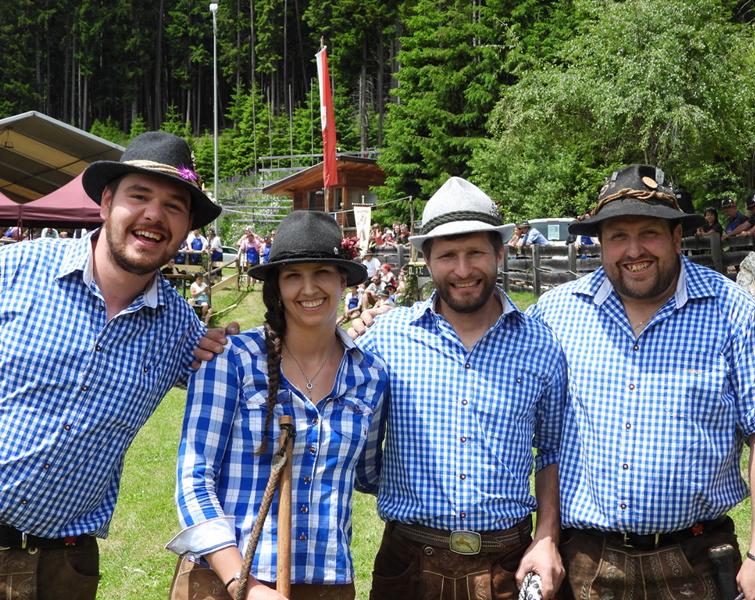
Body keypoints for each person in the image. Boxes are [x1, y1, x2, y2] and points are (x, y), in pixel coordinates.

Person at [530, 164, 755, 599]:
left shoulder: (733, 311)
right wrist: (544, 537)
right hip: (584, 563)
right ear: (601, 243)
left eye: (649, 233)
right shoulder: (555, 313)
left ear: (676, 236)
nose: (634, 249)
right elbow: (544, 438)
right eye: (618, 236)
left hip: (697, 559)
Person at [0, 131, 231, 600]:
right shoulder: (15, 269)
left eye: (173, 206)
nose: (154, 215)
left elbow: (255, 376)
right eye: (139, 196)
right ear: (106, 202)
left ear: (187, 226)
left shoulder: (183, 332)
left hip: (65, 566)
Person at [356, 176, 567, 599]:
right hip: (407, 560)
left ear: (500, 253)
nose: (464, 270)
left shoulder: (541, 343)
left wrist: (546, 536)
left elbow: (552, 451)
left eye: (476, 253)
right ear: (426, 259)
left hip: (507, 562)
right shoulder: (387, 337)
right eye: (448, 255)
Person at [167, 210, 388, 600]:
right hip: (227, 581)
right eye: (293, 276)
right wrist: (245, 586)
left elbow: (370, 475)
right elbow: (194, 481)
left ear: (343, 280)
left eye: (322, 272)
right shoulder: (231, 360)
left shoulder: (369, 375)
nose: (308, 288)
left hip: (327, 584)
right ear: (277, 286)